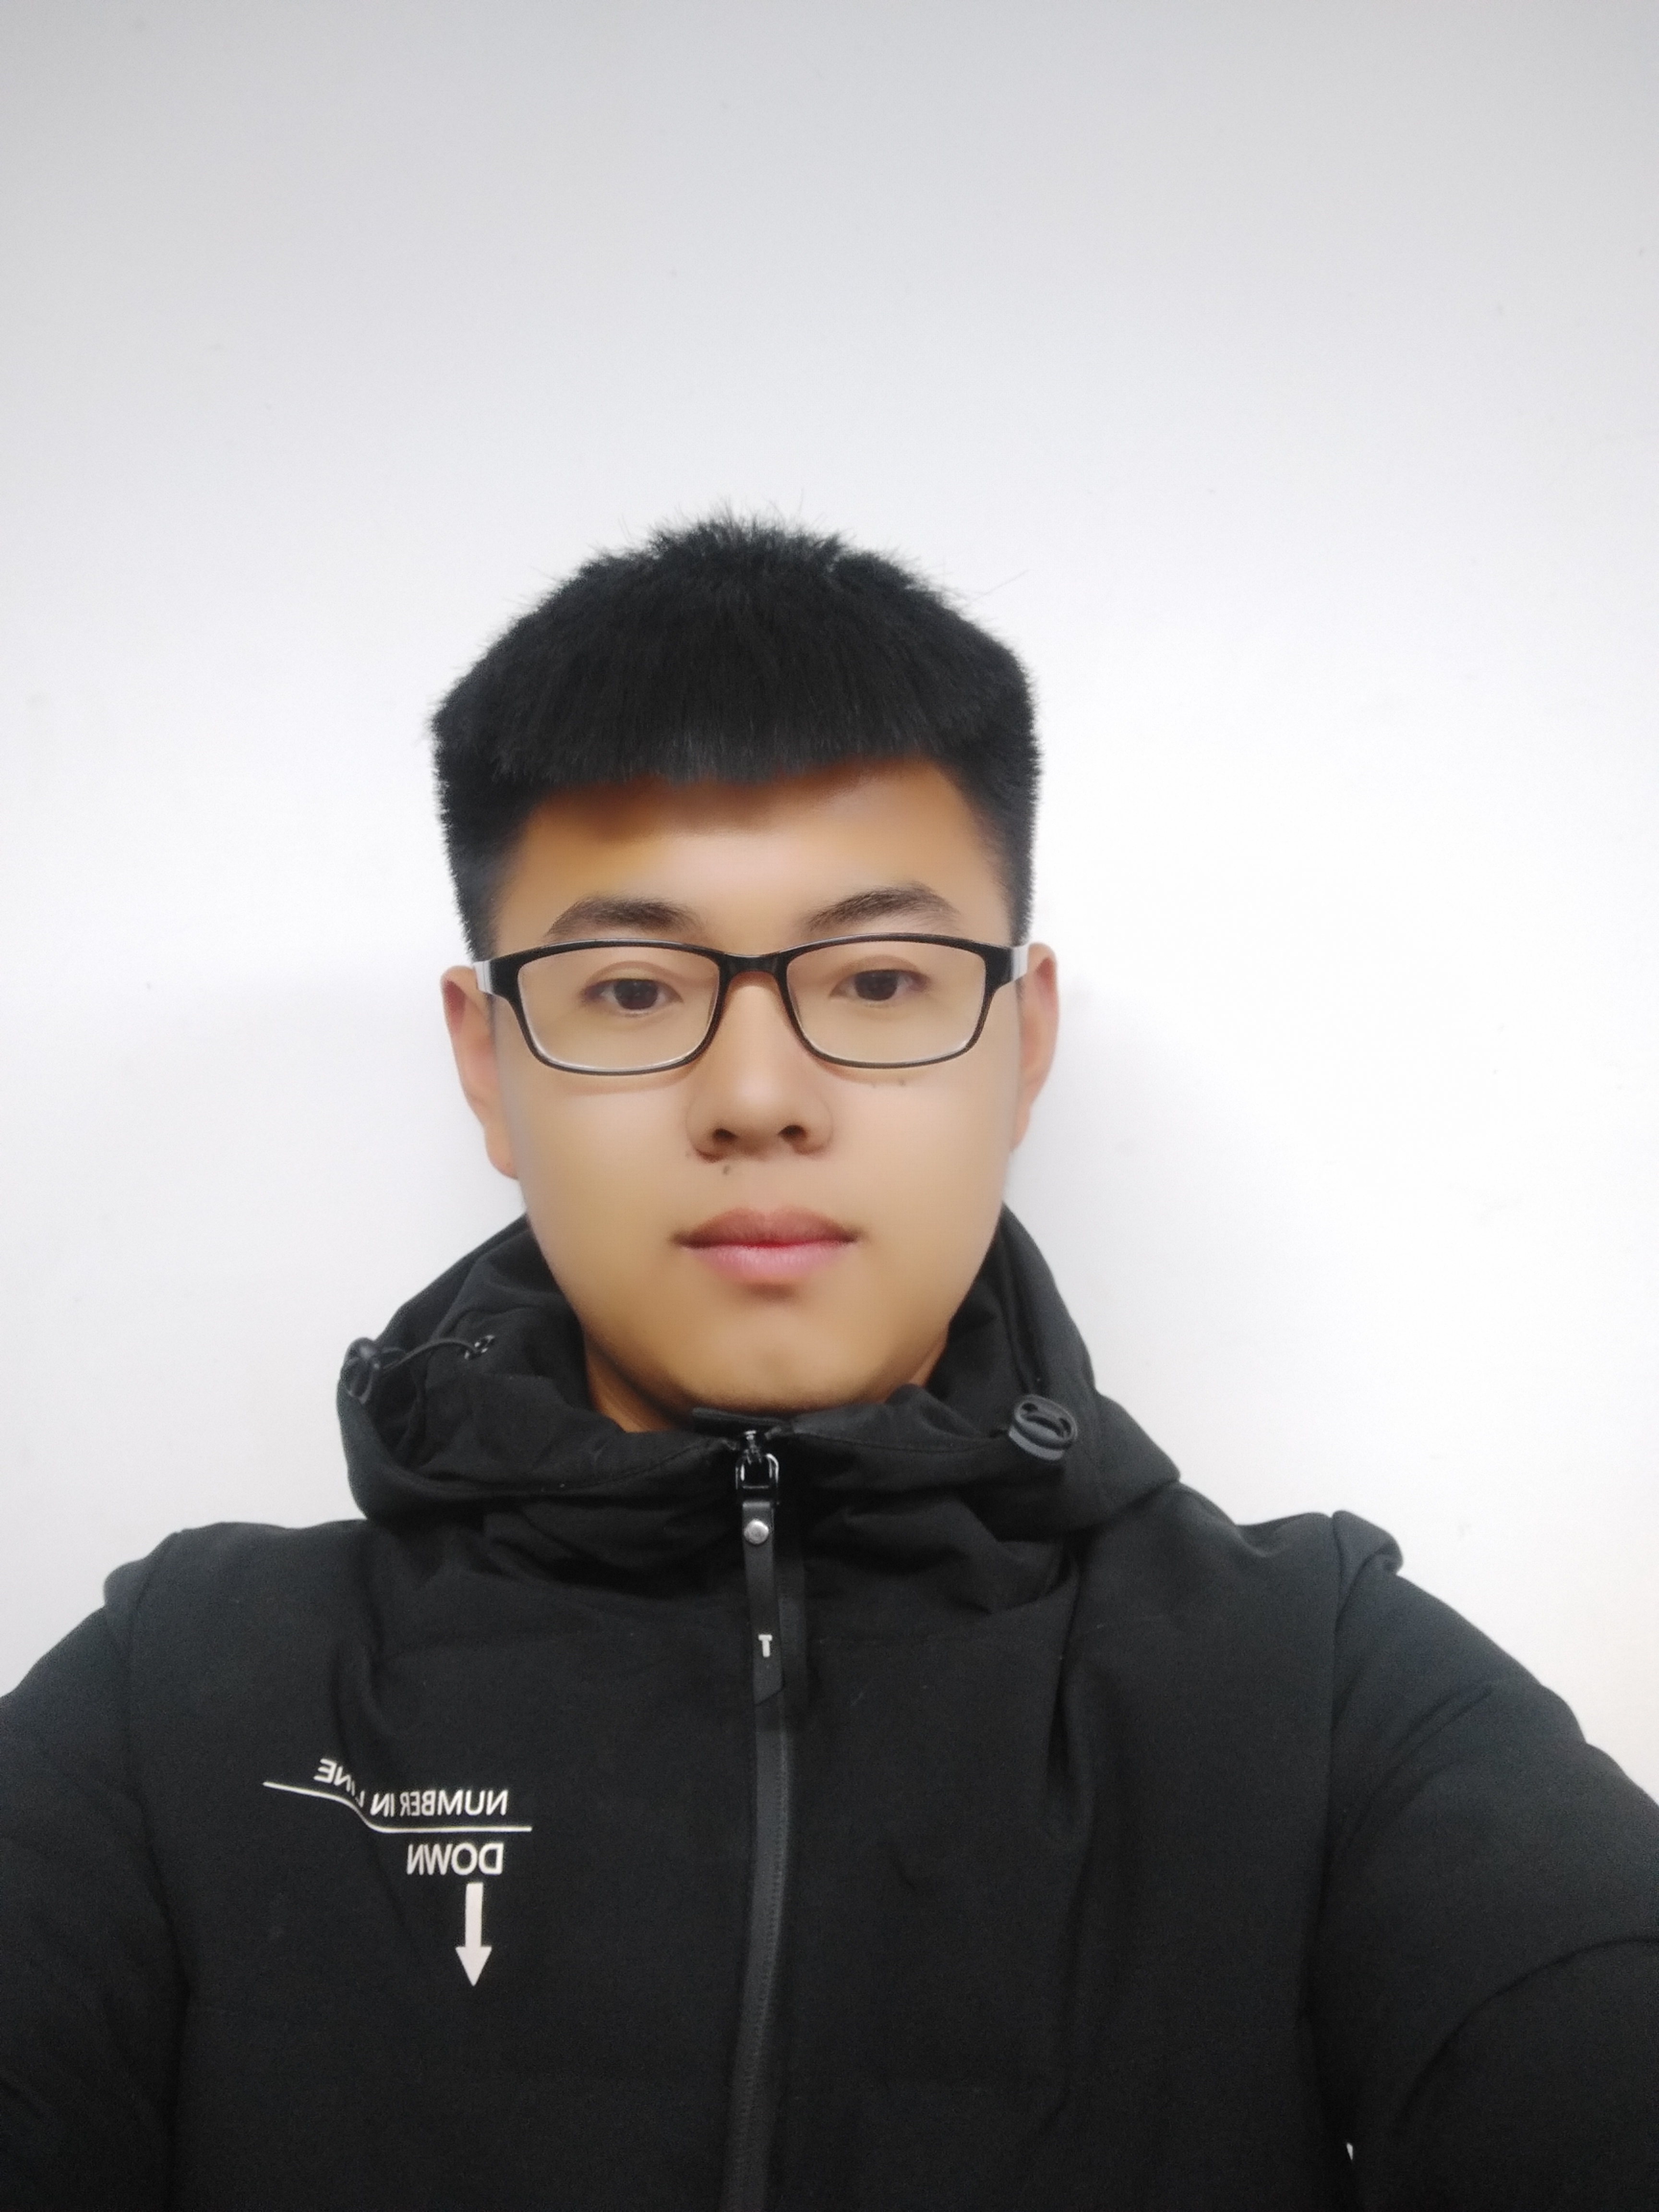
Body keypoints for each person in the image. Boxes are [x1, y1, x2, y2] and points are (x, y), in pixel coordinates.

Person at [1, 516, 1656, 2212]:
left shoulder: (1314, 1690)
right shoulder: (181, 1702)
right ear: (489, 1065)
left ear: (1022, 1044)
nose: (756, 1095)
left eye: (875, 978)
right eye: (631, 991)